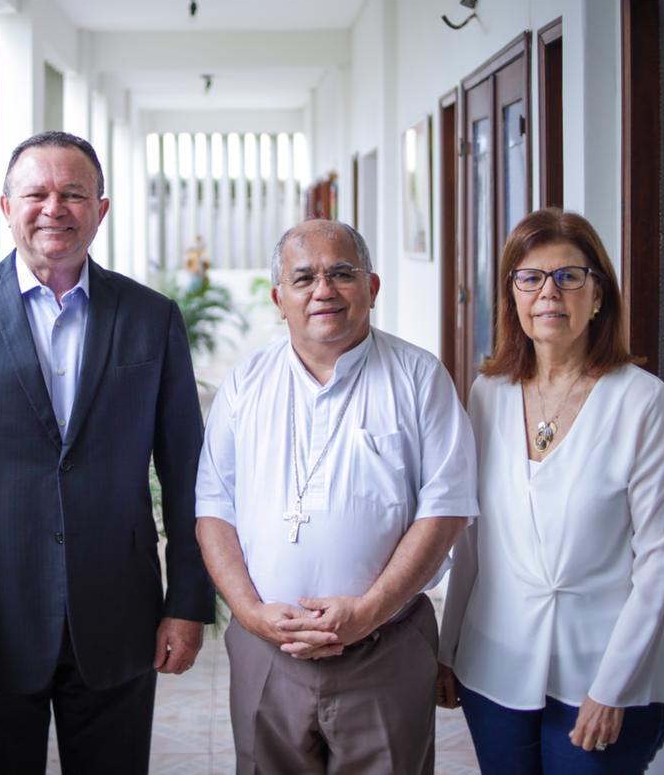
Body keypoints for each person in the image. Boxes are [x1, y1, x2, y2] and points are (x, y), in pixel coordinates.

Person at [0, 131, 216, 774]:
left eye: (73, 193)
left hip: (120, 612)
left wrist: (188, 602)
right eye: (36, 193)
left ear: (101, 208)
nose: (54, 208)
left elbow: (187, 473)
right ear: (6, 207)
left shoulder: (152, 318)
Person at [195, 219, 477, 774]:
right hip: (266, 651)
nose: (323, 290)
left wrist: (368, 613)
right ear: (280, 298)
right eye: (304, 278)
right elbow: (214, 508)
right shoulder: (246, 383)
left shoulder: (419, 377)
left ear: (371, 288)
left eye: (341, 274)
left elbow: (444, 511)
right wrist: (251, 614)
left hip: (386, 649)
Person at [436, 209, 664, 774]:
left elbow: (660, 561)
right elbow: (470, 541)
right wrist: (448, 651)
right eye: (530, 278)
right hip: (494, 662)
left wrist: (614, 687)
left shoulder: (641, 402)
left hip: (601, 673)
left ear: (597, 294)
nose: (549, 293)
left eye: (569, 277)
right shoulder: (488, 393)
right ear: (513, 297)